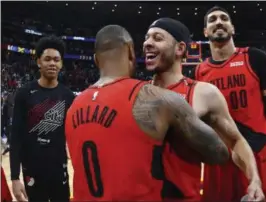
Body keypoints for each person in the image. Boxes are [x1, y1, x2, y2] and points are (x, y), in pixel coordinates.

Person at [65, 24, 229, 201]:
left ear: (96, 60)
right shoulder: (153, 98)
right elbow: (219, 153)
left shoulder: (74, 106)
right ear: (130, 52)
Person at [143, 17, 264, 201]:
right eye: (147, 38)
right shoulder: (136, 93)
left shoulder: (203, 93)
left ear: (180, 49)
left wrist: (254, 180)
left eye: (157, 38)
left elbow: (236, 141)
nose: (147, 43)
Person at [191, 6, 266, 202]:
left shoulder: (255, 58)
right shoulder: (200, 71)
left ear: (232, 28)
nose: (218, 21)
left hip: (258, 155)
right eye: (212, 19)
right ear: (205, 31)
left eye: (224, 18)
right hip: (218, 161)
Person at [10, 35, 75, 202]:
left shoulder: (68, 96)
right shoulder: (24, 94)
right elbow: (15, 137)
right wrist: (15, 178)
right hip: (32, 171)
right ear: (38, 62)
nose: (52, 63)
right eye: (47, 59)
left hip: (58, 170)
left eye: (56, 60)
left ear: (61, 64)